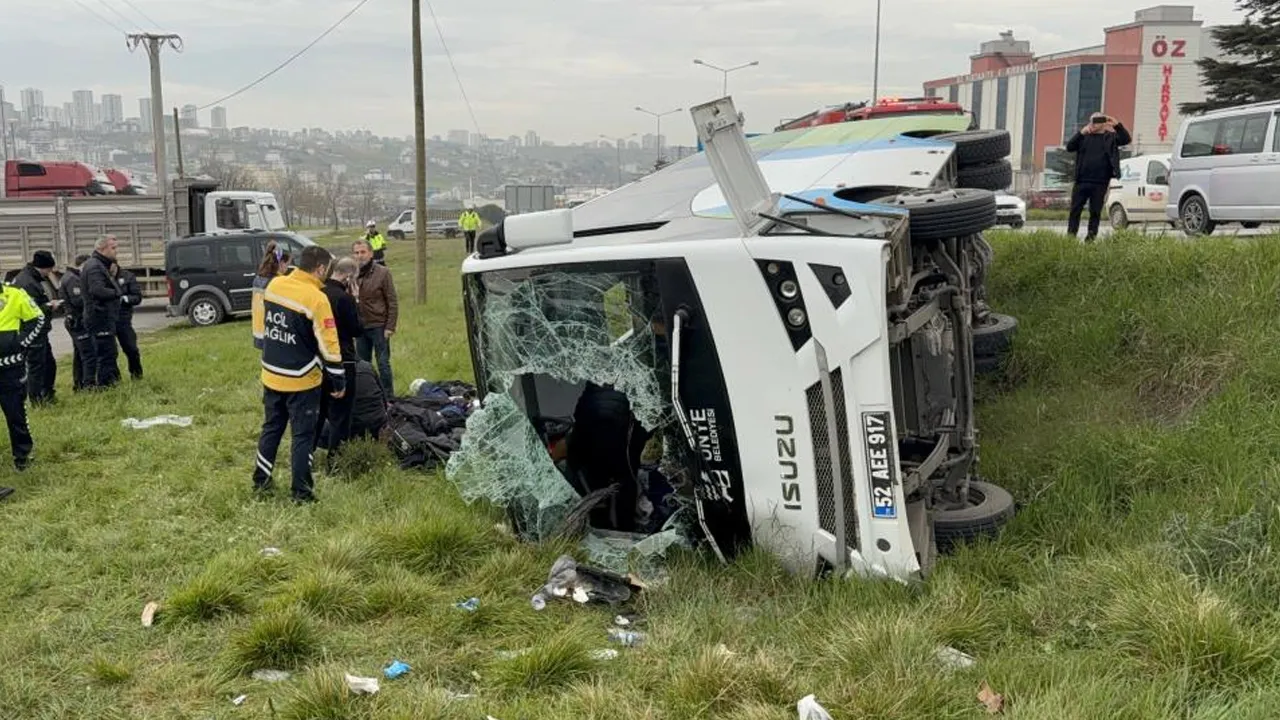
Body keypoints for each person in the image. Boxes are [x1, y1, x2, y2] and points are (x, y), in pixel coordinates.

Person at [252, 245, 345, 504]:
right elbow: (330, 344)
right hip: (302, 379)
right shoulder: (317, 298)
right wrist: (338, 380)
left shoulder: (275, 286)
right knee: (303, 436)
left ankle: (261, 480)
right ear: (321, 269)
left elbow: (264, 325)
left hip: (271, 373)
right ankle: (301, 493)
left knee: (271, 428)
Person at [316, 256, 363, 463]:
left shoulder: (318, 293)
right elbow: (356, 329)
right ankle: (335, 461)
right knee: (341, 415)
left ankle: (308, 453)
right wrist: (357, 300)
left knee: (319, 412)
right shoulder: (345, 299)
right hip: (343, 359)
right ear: (349, 277)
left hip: (318, 359)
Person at [0, 271, 46, 478]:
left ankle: (23, 456)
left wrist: (20, 343)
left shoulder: (15, 295)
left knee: (16, 413)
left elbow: (37, 319)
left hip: (10, 368)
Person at [1065, 112, 1132, 242]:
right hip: (1081, 181)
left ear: (1103, 123)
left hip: (1100, 182)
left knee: (1095, 212)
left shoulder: (1110, 137)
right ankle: (1070, 237)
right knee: (1075, 210)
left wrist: (1116, 125)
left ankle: (1090, 238)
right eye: (1092, 120)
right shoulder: (1084, 137)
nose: (1094, 123)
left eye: (1097, 120)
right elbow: (1069, 147)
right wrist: (1081, 132)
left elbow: (1126, 139)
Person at [11, 251, 60, 404]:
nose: (50, 273)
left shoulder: (32, 277)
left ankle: (46, 394)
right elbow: (30, 310)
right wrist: (49, 306)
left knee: (48, 364)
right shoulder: (27, 283)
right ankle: (36, 400)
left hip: (38, 330)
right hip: (32, 331)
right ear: (43, 267)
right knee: (36, 367)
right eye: (49, 269)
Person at [351, 240, 399, 395]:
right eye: (357, 253)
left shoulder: (382, 272)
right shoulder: (351, 274)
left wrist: (390, 326)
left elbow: (392, 300)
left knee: (383, 364)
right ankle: (368, 396)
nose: (360, 256)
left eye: (363, 252)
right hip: (360, 327)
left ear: (371, 253)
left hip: (379, 326)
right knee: (362, 366)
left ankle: (389, 396)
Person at [81, 235, 122, 388]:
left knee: (110, 352)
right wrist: (117, 293)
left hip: (104, 316)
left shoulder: (100, 264)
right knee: (105, 353)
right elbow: (97, 290)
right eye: (113, 248)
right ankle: (106, 386)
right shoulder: (94, 266)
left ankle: (112, 382)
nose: (116, 251)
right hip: (99, 317)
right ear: (102, 249)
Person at [60, 254, 93, 391]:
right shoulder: (73, 279)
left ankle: (79, 384)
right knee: (88, 354)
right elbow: (78, 301)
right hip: (77, 321)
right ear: (83, 264)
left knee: (79, 354)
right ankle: (88, 385)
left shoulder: (71, 277)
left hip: (75, 320)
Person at [252, 240, 291, 350]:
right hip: (273, 332)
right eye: (287, 265)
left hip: (259, 330)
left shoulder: (258, 278)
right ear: (281, 263)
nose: (287, 268)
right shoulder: (278, 282)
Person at [113, 264, 144, 379]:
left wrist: (125, 299)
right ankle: (114, 378)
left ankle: (136, 375)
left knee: (131, 349)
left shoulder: (128, 276)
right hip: (108, 319)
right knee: (110, 352)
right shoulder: (102, 276)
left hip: (123, 319)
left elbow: (137, 297)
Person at [347, 359, 389, 441]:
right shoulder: (367, 366)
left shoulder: (334, 374)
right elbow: (384, 400)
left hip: (354, 430)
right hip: (379, 424)